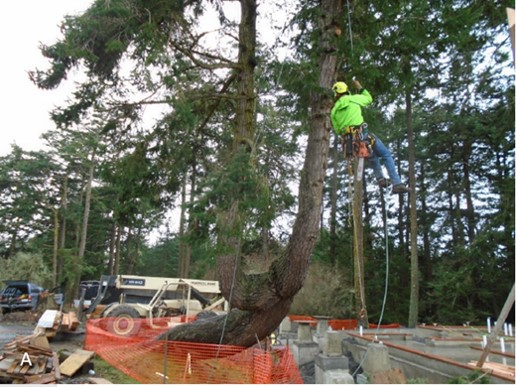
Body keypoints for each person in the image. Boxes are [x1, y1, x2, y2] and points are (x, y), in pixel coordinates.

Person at [330, 79, 409, 194]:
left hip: (349, 142)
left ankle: (380, 179)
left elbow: (337, 130)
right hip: (362, 134)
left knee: (371, 153)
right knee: (385, 154)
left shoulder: (333, 111)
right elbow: (368, 99)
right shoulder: (353, 99)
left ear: (335, 94)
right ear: (346, 90)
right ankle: (396, 183)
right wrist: (360, 87)